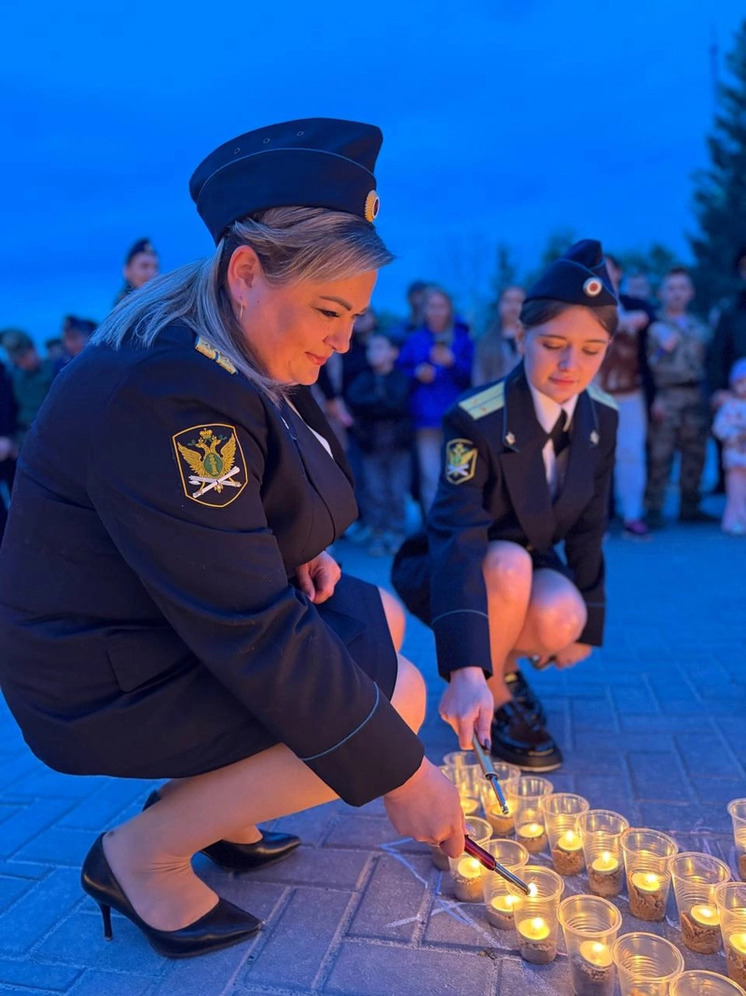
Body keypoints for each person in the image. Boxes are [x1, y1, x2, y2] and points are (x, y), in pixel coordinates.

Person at [0, 119, 463, 959]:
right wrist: (406, 774)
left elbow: (242, 511)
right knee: (395, 704)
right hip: (98, 675)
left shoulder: (232, 351)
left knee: (383, 619)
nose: (343, 339)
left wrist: (293, 550)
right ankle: (141, 854)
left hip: (153, 628)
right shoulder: (171, 386)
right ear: (245, 272)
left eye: (355, 315)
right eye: (330, 310)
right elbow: (249, 626)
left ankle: (223, 802)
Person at [392, 240, 618, 772]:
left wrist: (588, 628)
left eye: (591, 350)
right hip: (453, 567)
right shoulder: (477, 418)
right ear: (521, 335)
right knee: (508, 564)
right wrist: (465, 665)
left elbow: (589, 525)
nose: (570, 365)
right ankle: (489, 689)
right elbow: (458, 537)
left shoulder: (601, 418)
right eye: (554, 343)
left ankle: (506, 668)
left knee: (565, 613)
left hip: (523, 564)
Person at [644, 267, 715, 527]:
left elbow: (710, 361)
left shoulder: (701, 327)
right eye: (671, 288)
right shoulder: (655, 326)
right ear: (662, 293)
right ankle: (653, 508)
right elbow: (646, 365)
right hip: (667, 394)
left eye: (682, 288)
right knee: (661, 453)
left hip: (695, 393)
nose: (677, 293)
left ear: (691, 292)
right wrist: (655, 398)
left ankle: (690, 505)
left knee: (695, 451)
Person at [397, 286, 473, 515]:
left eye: (441, 306)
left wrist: (453, 362)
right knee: (430, 476)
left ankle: (459, 522)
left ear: (449, 308)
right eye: (432, 306)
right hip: (425, 419)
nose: (437, 311)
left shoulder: (463, 338)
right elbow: (399, 374)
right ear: (424, 310)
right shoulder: (415, 340)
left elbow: (475, 377)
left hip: (457, 418)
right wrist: (416, 374)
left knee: (458, 474)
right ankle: (433, 527)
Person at [597, 254, 656, 538]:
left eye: (608, 268)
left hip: (631, 394)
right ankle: (596, 518)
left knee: (631, 454)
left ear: (619, 272)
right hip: (594, 394)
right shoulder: (583, 309)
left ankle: (632, 514)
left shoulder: (636, 305)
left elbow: (651, 318)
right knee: (594, 457)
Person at [345, 331, 413, 555]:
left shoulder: (400, 378)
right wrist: (379, 403)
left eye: (381, 347)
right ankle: (378, 532)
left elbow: (397, 403)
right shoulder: (362, 379)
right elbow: (355, 400)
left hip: (398, 445)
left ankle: (396, 531)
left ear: (393, 352)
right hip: (371, 444)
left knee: (396, 489)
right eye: (372, 348)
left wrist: (374, 404)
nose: (375, 353)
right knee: (374, 490)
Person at [0, 329, 56, 451]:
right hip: (23, 436)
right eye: (17, 359)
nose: (21, 362)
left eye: (23, 356)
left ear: (33, 349)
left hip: (49, 434)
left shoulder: (54, 370)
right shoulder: (16, 376)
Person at [712, 357, 746, 535]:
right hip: (735, 458)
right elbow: (719, 427)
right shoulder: (730, 406)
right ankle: (734, 521)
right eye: (741, 383)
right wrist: (733, 436)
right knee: (736, 493)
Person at [472, 285, 525, 386]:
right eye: (508, 301)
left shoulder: (535, 339)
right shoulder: (486, 342)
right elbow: (479, 379)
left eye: (519, 301)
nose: (513, 306)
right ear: (499, 305)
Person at [113, 238, 160, 305]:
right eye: (144, 266)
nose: (152, 273)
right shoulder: (123, 307)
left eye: (156, 267)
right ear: (127, 271)